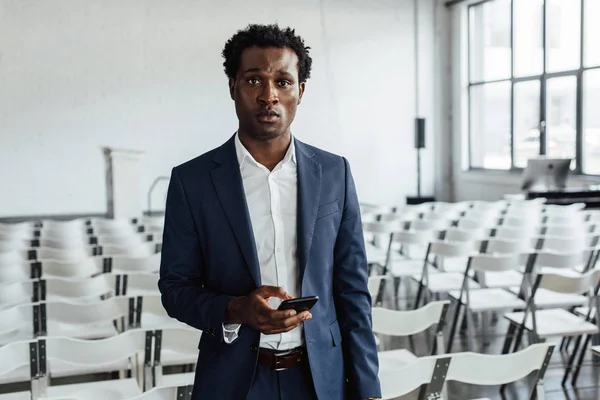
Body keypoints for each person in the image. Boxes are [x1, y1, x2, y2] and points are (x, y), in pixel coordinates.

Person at [158, 23, 381, 400]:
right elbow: (175, 289)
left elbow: (353, 292)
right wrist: (235, 309)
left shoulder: (334, 173)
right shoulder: (191, 181)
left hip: (320, 379)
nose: (268, 96)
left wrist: (369, 390)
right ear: (232, 87)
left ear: (300, 90)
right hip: (233, 380)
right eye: (254, 81)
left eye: (283, 81)